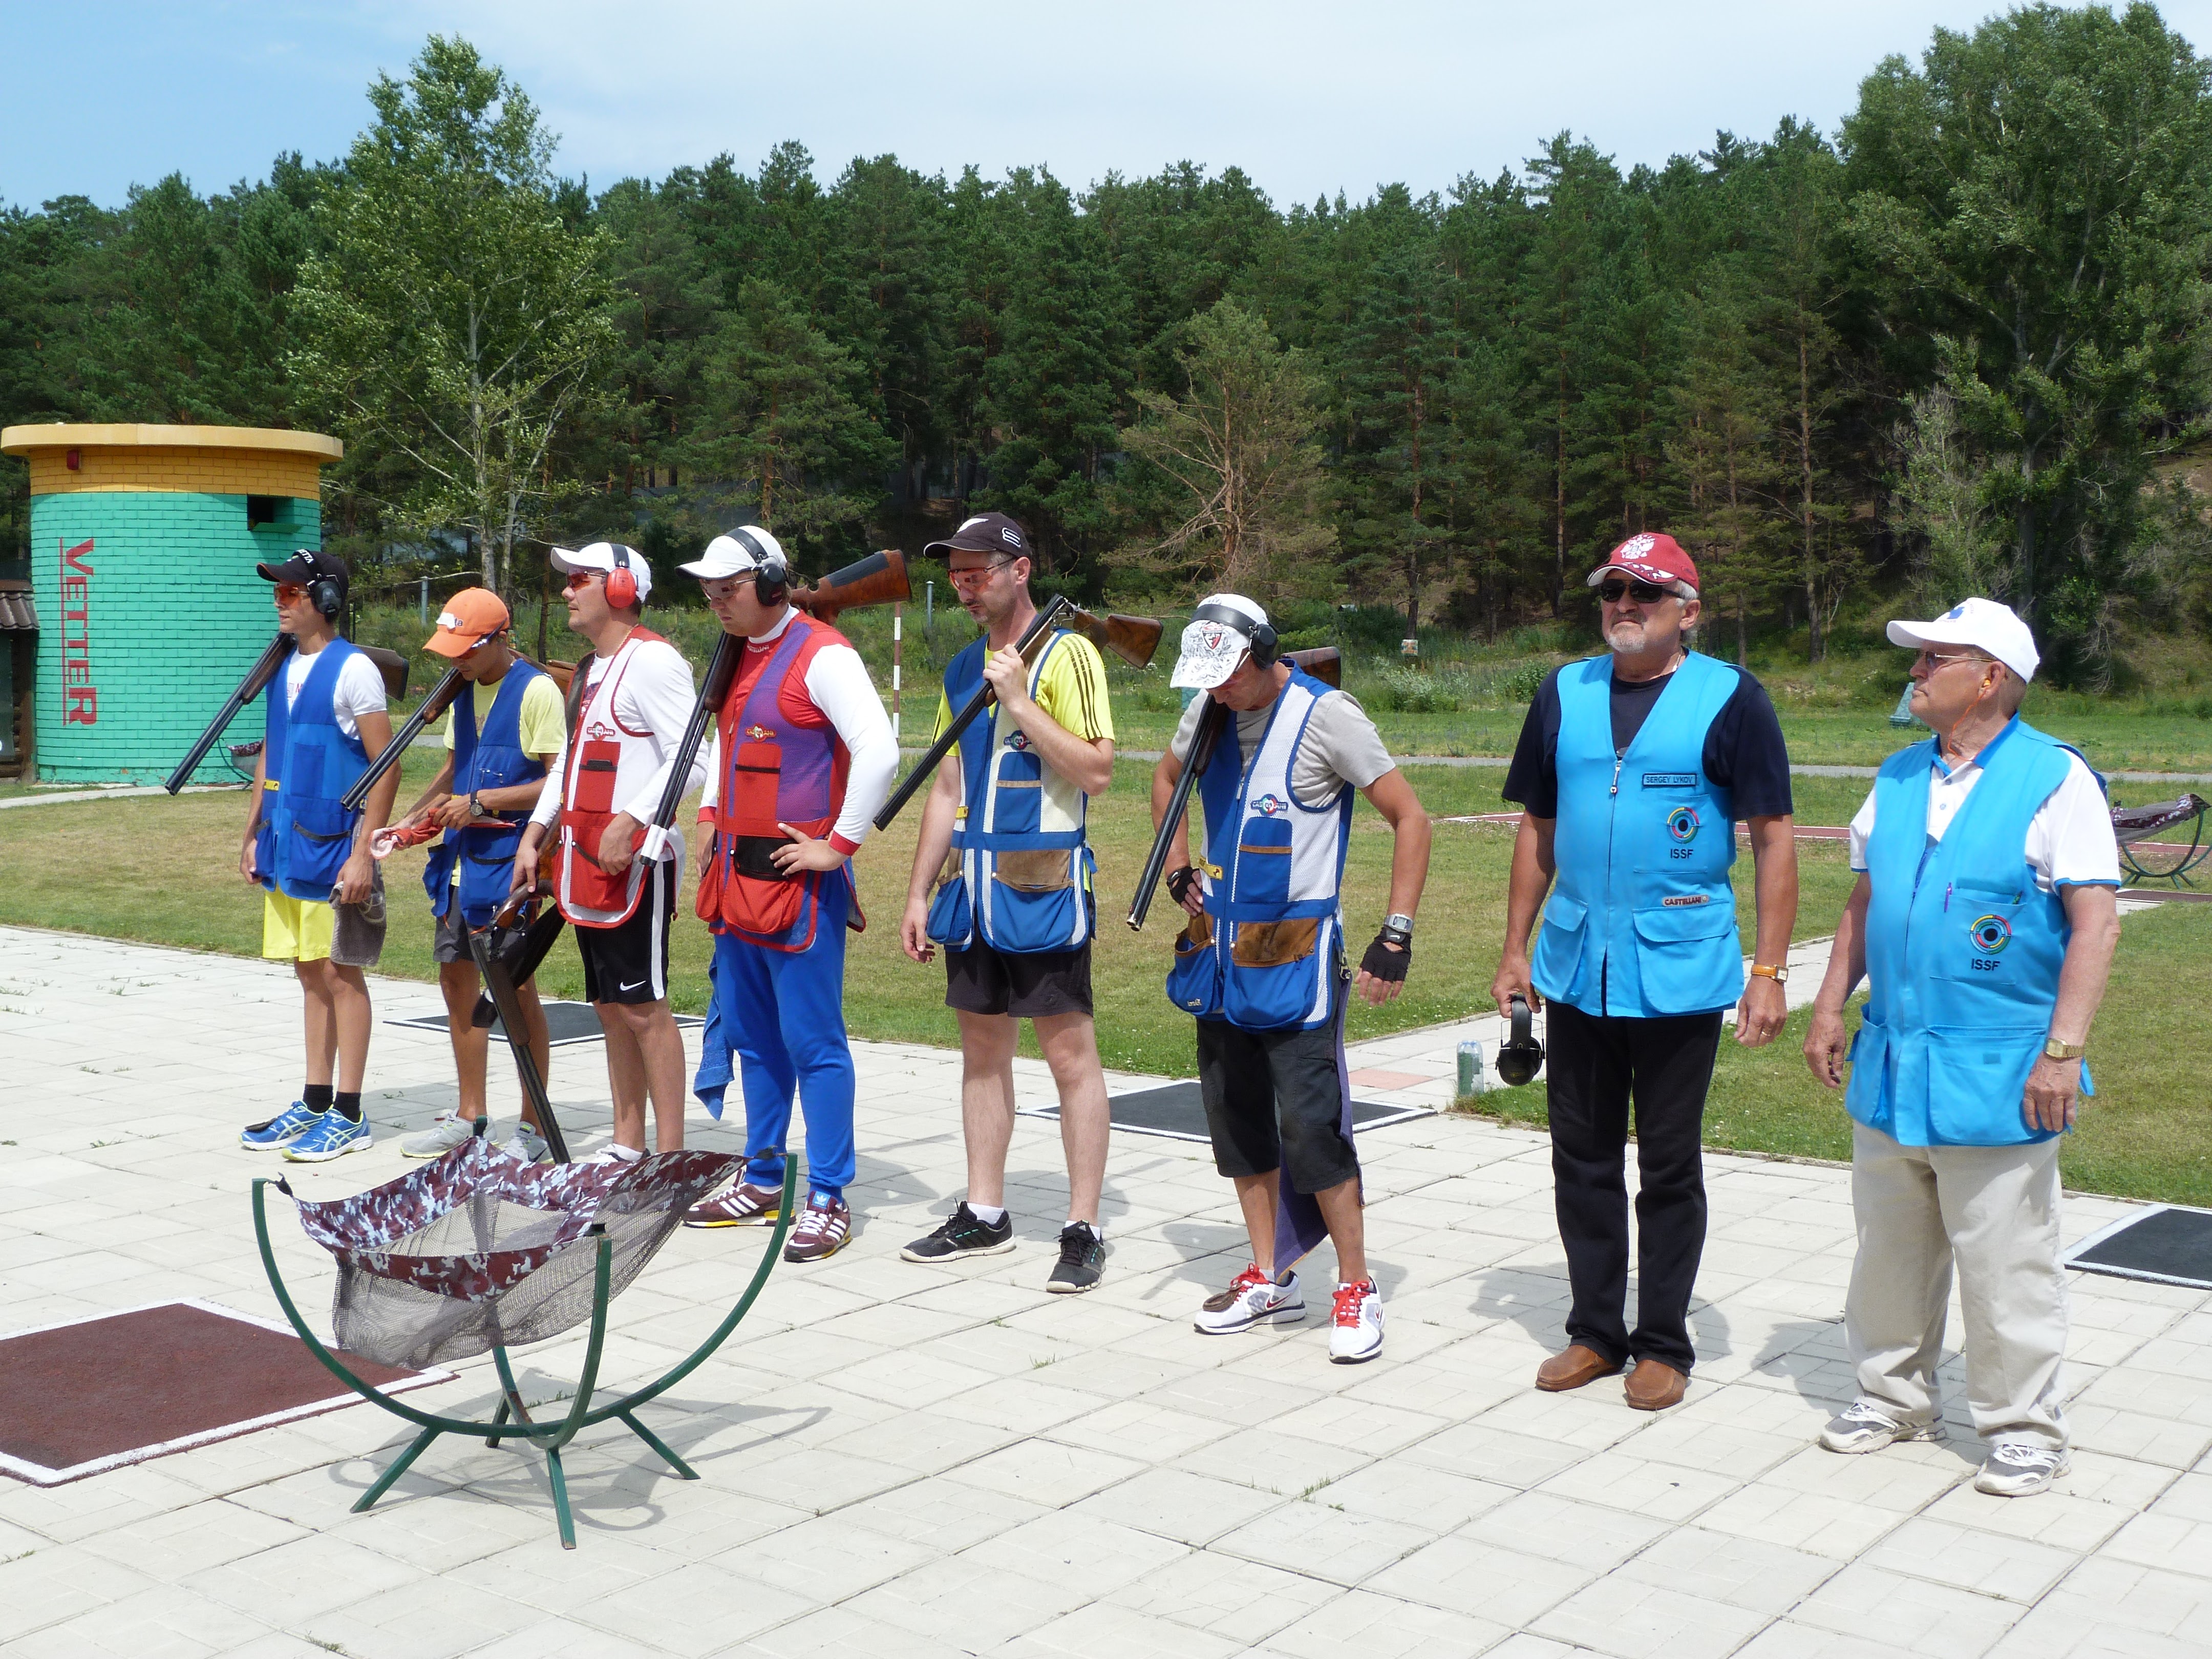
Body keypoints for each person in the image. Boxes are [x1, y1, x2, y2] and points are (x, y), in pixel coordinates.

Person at [1804, 598, 2120, 1498]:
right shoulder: (1901, 774)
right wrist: (1828, 1006)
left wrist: (2063, 1051)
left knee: (2005, 1260)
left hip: (1999, 1070)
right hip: (1895, 1060)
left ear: (1990, 678)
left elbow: (2096, 924)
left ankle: (2024, 1429)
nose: (1913, 672)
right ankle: (1893, 1397)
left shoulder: (2055, 779)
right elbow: (1865, 904)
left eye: (1932, 659)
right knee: (1890, 1248)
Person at [1491, 531, 1798, 1411]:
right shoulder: (1563, 693)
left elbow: (1774, 838)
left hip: (1678, 969)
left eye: (1646, 593)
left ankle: (1663, 1343)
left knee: (1667, 1166)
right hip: (1576, 966)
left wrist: (1770, 969)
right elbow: (1539, 827)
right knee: (1581, 1159)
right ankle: (1595, 1332)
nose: (1625, 606)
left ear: (1688, 612)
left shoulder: (1732, 699)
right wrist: (1515, 948)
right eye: (1613, 592)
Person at [1151, 594, 1431, 1365]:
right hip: (1218, 962)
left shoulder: (1328, 715)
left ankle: (1356, 1286)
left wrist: (1396, 933)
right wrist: (1177, 870)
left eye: (1227, 675)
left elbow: (1410, 818)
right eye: (1205, 679)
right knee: (1236, 1125)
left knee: (1314, 1131)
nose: (1216, 691)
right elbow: (1166, 780)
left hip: (1298, 966)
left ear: (1265, 652)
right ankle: (1270, 1273)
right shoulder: (1207, 713)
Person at [896, 513, 1117, 1293]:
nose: (965, 587)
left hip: (1043, 890)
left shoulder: (1069, 653)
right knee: (981, 1053)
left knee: (1070, 1057)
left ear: (1020, 570)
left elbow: (1096, 771)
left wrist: (1020, 701)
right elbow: (947, 785)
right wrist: (918, 891)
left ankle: (1084, 1228)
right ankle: (985, 1212)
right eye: (956, 575)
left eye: (977, 572)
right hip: (973, 894)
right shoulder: (964, 666)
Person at [673, 528, 898, 1262]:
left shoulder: (823, 653)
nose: (716, 601)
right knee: (753, 1039)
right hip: (737, 881)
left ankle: (828, 1195)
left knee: (813, 1045)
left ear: (772, 584)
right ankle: (764, 1176)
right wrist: (710, 812)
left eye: (729, 588)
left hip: (799, 886)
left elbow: (880, 751)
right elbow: (730, 743)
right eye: (708, 591)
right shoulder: (738, 652)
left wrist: (840, 844)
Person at [515, 544, 701, 1165]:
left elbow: (694, 758)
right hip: (586, 864)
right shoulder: (591, 669)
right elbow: (569, 763)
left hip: (636, 866)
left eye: (580, 579)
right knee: (609, 1007)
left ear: (621, 587)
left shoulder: (654, 662)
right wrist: (536, 832)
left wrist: (633, 818)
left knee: (644, 1010)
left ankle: (669, 1160)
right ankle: (628, 1145)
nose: (567, 591)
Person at [389, 588, 563, 1162]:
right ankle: (470, 1117)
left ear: (498, 639)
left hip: (510, 863)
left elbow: (558, 782)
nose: (456, 659)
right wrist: (409, 821)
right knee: (455, 982)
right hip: (460, 864)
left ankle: (534, 1129)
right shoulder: (461, 689)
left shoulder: (537, 690)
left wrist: (483, 802)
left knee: (514, 992)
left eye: (466, 648)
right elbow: (452, 770)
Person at [238, 548, 398, 1163]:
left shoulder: (354, 669)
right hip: (287, 844)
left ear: (325, 599)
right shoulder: (283, 665)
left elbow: (387, 767)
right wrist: (251, 834)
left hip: (334, 849)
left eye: (290, 593)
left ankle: (350, 1113)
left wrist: (365, 854)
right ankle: (315, 1099)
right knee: (308, 971)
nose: (279, 602)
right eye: (277, 593)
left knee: (338, 973)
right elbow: (271, 755)